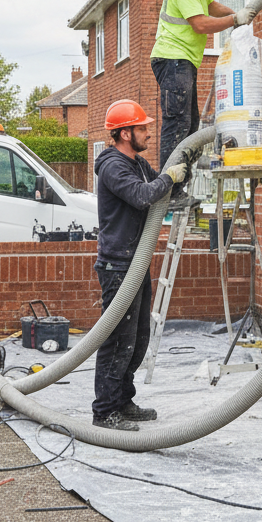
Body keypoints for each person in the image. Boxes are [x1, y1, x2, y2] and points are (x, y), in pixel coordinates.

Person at [91, 99, 187, 430]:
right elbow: (143, 196)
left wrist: (180, 178)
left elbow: (161, 190)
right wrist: (168, 180)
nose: (148, 132)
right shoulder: (113, 166)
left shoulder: (138, 164)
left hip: (136, 261)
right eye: (142, 128)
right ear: (125, 133)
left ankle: (123, 399)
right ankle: (104, 410)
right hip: (117, 266)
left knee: (137, 337)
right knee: (117, 338)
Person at [149, 0, 255, 196]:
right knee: (177, 124)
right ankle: (170, 189)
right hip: (173, 59)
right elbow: (201, 24)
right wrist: (235, 21)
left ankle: (178, 183)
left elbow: (213, 7)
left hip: (182, 61)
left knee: (190, 123)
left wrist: (238, 12)